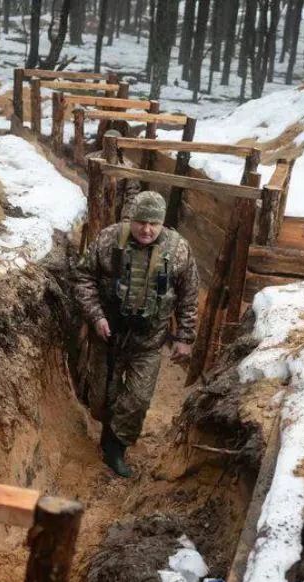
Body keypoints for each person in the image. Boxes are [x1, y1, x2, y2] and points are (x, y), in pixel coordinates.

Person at [73, 191, 199, 478]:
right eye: (141, 222)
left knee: (138, 400)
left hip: (149, 341)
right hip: (108, 337)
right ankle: (105, 425)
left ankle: (116, 447)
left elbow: (189, 295)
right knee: (102, 399)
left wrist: (184, 337)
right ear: (130, 219)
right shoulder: (107, 239)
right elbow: (83, 277)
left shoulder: (179, 250)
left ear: (162, 223)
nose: (146, 229)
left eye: (153, 223)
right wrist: (96, 317)